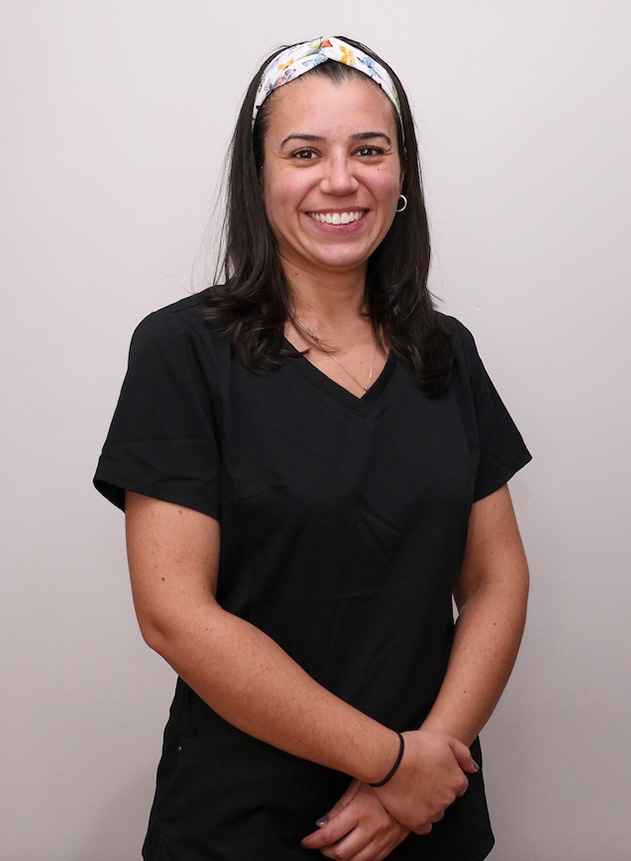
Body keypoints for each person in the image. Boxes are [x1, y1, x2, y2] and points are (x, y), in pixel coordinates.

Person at [94, 36, 531, 861]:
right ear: (257, 177)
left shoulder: (445, 353)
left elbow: (495, 576)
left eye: (369, 149)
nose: (341, 179)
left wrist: (424, 771)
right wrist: (388, 761)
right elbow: (174, 614)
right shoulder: (181, 351)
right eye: (304, 152)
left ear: (401, 177)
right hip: (246, 822)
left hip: (429, 817)